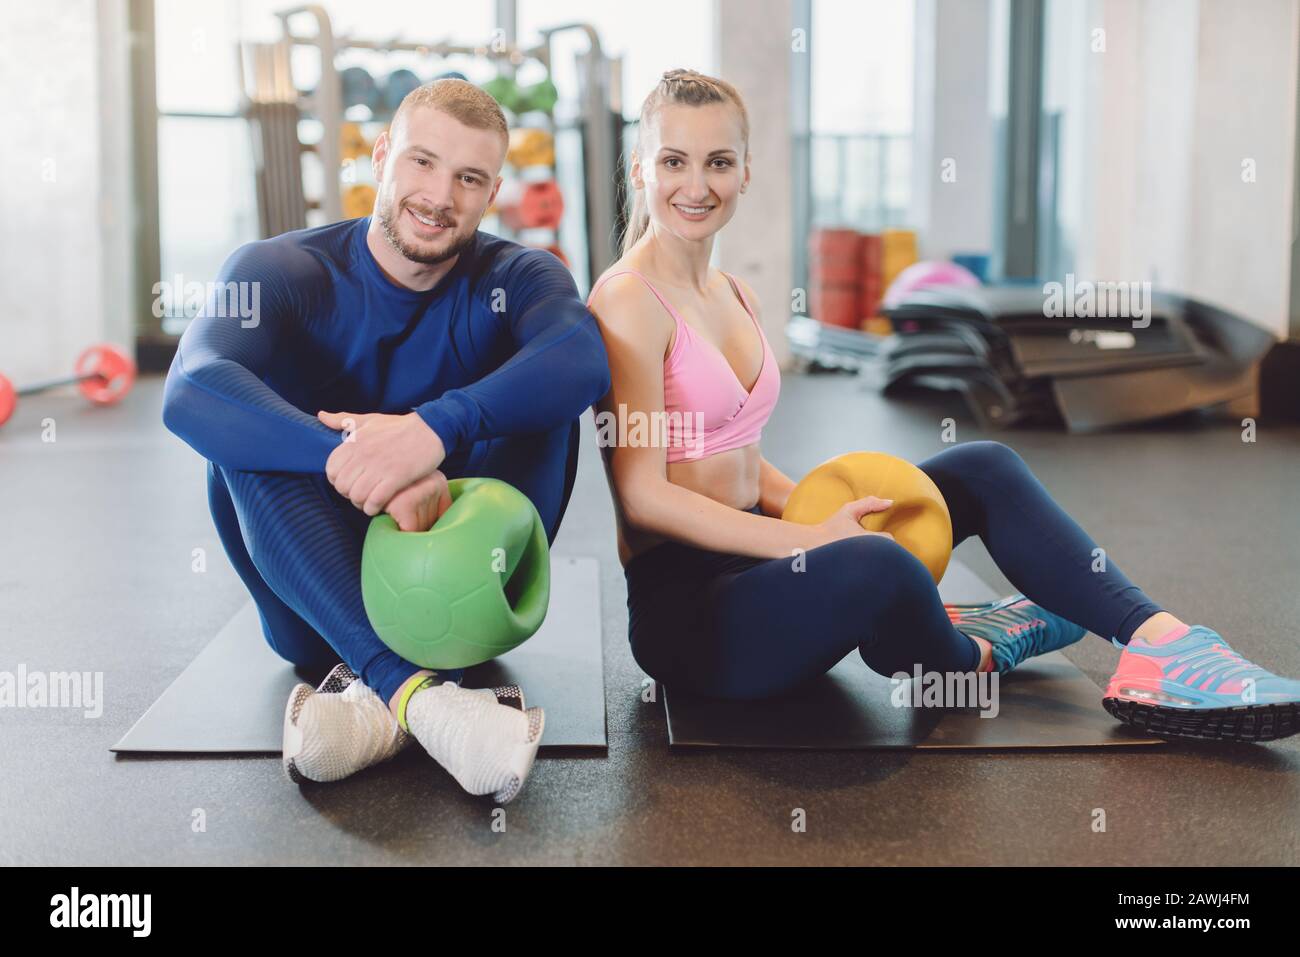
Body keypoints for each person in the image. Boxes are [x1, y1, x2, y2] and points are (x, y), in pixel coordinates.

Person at [586, 68, 1300, 742]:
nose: (697, 184)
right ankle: (968, 651)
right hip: (696, 620)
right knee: (879, 563)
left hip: (771, 568)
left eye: (718, 161)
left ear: (745, 171)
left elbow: (735, 458)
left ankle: (1162, 646)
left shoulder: (734, 293)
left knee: (980, 467)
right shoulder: (627, 301)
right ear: (640, 169)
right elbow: (644, 496)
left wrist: (826, 505)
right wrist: (810, 541)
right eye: (674, 161)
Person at [162, 79, 610, 799]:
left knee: (549, 399)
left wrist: (432, 430)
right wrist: (353, 457)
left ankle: (385, 704)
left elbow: (582, 358)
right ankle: (426, 700)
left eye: (468, 178)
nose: (439, 195)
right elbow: (191, 387)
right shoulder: (281, 269)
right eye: (422, 163)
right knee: (241, 429)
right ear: (379, 157)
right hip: (314, 611)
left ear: (492, 192)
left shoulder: (517, 274)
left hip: (454, 596)